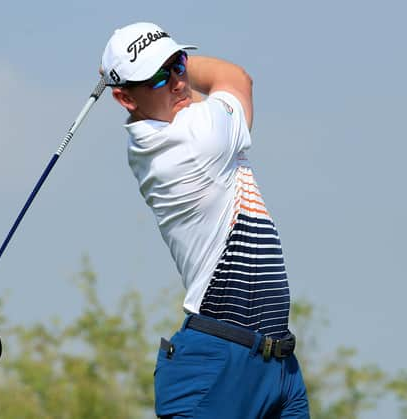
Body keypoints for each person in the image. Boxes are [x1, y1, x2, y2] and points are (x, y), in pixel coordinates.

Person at [100, 22, 310, 419]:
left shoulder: (171, 126)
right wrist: (180, 67)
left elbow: (187, 95)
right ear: (125, 98)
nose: (178, 81)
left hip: (276, 360)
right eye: (160, 76)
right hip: (218, 365)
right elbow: (234, 78)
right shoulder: (197, 139)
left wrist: (162, 73)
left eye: (179, 64)